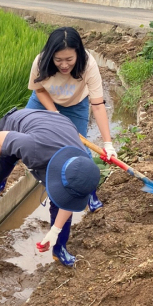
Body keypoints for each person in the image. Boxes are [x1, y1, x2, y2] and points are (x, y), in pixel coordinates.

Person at [0, 107, 101, 267]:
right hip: (10, 130)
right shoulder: (34, 149)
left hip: (50, 129)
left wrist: (54, 232)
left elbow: (68, 200)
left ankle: (59, 248)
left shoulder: (82, 164)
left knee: (59, 200)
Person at [25, 26, 116, 212]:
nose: (64, 65)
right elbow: (39, 90)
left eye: (69, 59)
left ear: (78, 54)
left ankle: (90, 193)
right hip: (43, 100)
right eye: (58, 60)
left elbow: (98, 105)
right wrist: (54, 114)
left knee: (79, 148)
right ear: (51, 55)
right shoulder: (41, 61)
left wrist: (108, 143)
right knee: (20, 135)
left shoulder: (88, 64)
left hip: (75, 104)